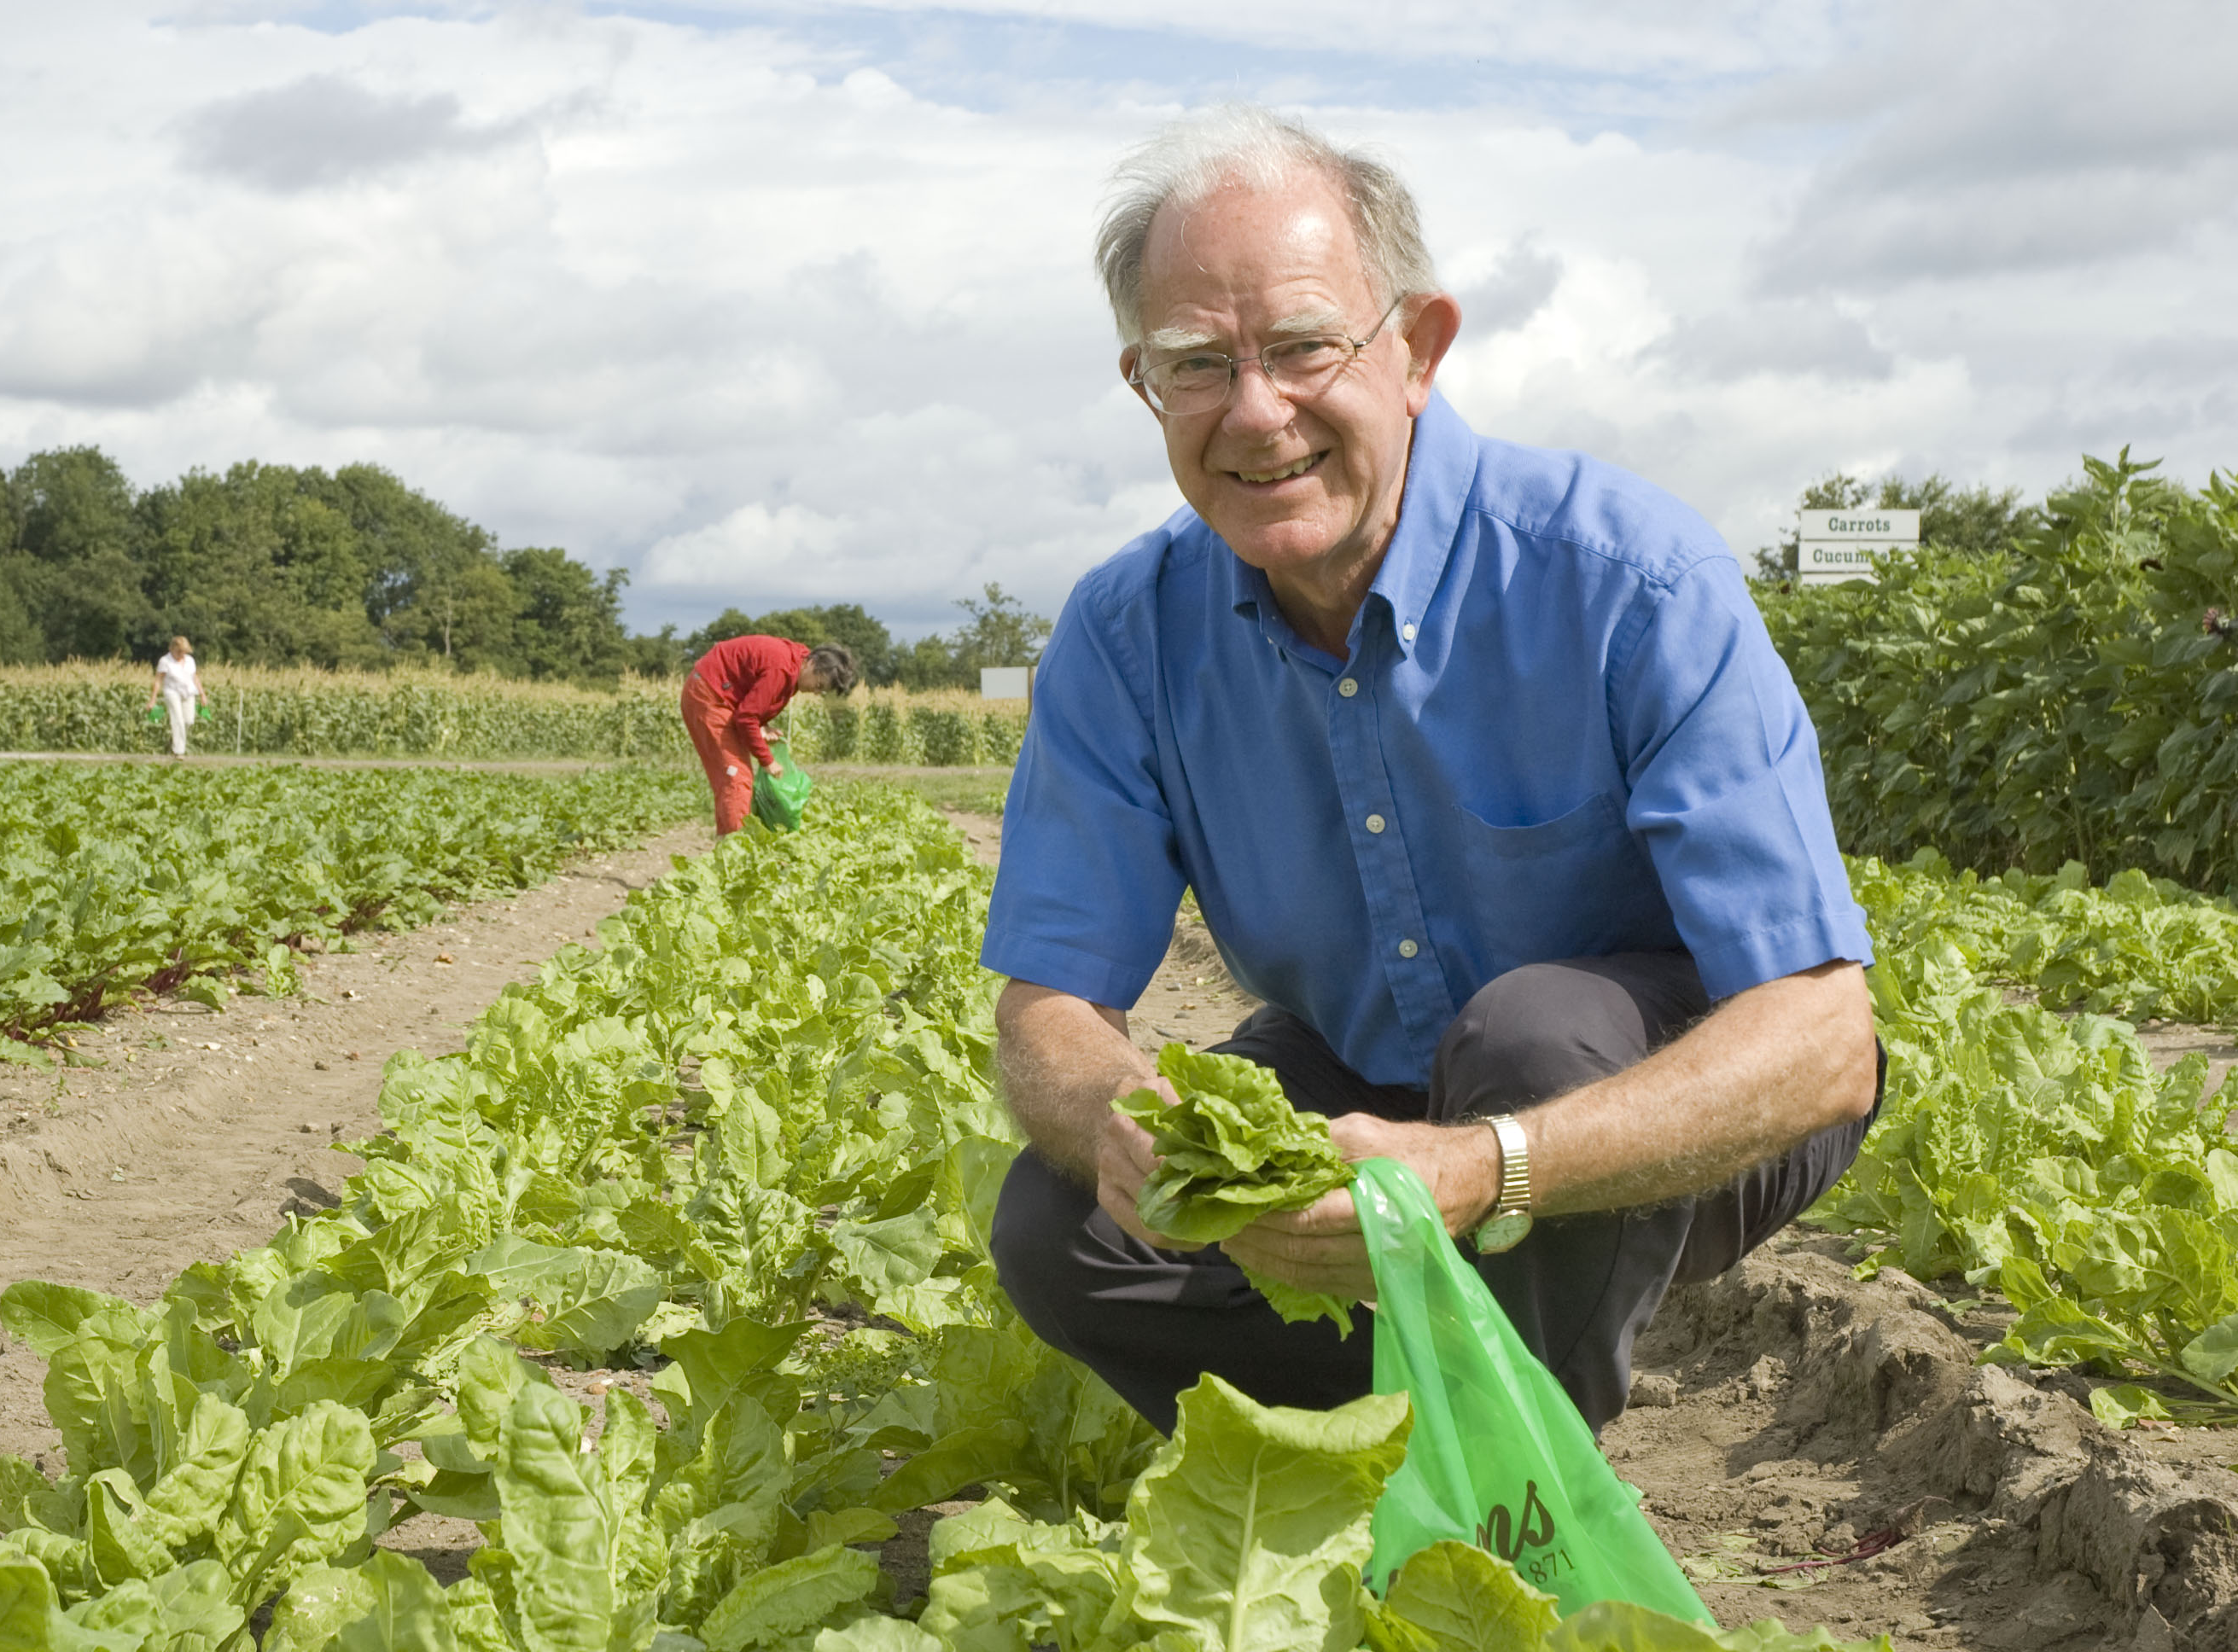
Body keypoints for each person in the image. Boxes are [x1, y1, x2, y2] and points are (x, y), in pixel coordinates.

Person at [982, 106, 1881, 1439]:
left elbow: (1824, 1044)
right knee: (1064, 1221)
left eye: (1300, 348)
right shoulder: (1127, 636)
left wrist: (1488, 1170)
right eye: (1195, 363)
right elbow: (1046, 1008)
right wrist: (1122, 1117)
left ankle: (1507, 1511)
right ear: (1143, 384)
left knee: (1533, 1038)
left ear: (1416, 347)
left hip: (1645, 1086)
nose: (1256, 411)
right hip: (1371, 1067)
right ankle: (1390, 1436)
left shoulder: (1631, 578)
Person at [680, 637, 859, 835]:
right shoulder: (782, 669)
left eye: (822, 691)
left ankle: (731, 843)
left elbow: (753, 699)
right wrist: (767, 760)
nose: (816, 693)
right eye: (819, 685)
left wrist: (762, 725)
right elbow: (746, 718)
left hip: (720, 693)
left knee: (734, 779)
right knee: (736, 778)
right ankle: (734, 850)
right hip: (709, 694)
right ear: (811, 663)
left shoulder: (793, 665)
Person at [146, 636, 207, 758]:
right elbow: (158, 681)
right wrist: (153, 699)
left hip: (188, 692)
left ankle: (174, 741)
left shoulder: (190, 661)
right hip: (172, 692)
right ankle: (179, 752)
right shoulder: (165, 661)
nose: (182, 654)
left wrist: (202, 694)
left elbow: (195, 677)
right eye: (179, 651)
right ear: (172, 648)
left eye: (184, 651)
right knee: (177, 720)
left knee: (188, 720)